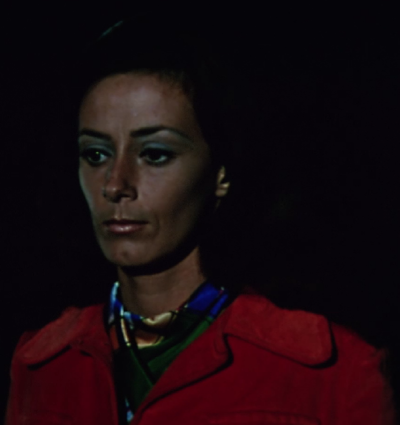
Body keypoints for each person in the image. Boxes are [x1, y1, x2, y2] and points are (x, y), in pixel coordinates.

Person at [5, 16, 395, 425]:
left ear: (221, 174)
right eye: (96, 155)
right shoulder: (41, 365)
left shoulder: (335, 373)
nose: (115, 185)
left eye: (155, 155)